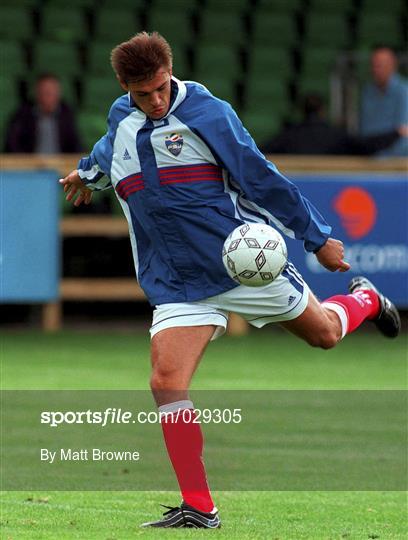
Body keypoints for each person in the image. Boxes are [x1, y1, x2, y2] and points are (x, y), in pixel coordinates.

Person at [59, 32, 401, 529]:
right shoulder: (121, 116)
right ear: (123, 86)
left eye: (160, 89)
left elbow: (261, 178)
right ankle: (200, 507)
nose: (154, 101)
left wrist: (317, 238)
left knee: (325, 334)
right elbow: (109, 150)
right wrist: (86, 174)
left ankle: (366, 298)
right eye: (142, 94)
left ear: (170, 72)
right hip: (176, 280)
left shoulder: (209, 112)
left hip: (239, 263)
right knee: (166, 381)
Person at [260, 93, 407, 155]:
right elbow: (366, 146)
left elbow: (260, 151)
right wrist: (396, 134)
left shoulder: (288, 136)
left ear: (302, 111)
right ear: (323, 111)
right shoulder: (335, 136)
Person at [5, 73, 82, 153]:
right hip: (29, 163)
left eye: (52, 91)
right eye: (45, 92)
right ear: (37, 93)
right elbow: (12, 144)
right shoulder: (23, 114)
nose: (49, 95)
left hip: (60, 163)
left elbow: (75, 144)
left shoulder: (66, 114)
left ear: (58, 93)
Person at [360, 46, 408, 157]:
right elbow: (365, 130)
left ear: (393, 65)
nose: (376, 70)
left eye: (380, 65)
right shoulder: (367, 92)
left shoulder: (404, 92)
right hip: (369, 158)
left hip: (397, 161)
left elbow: (404, 134)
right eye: (374, 65)